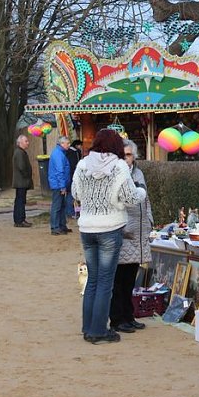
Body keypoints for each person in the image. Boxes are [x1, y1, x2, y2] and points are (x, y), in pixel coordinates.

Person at [73, 129, 145, 344]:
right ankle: (98, 331)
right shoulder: (119, 167)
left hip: (87, 228)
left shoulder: (82, 164)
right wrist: (141, 190)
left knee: (93, 281)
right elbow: (131, 198)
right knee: (105, 282)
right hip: (110, 228)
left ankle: (88, 327)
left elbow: (76, 194)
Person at [109, 139, 153, 334]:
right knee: (119, 281)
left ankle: (129, 315)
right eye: (123, 155)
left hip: (139, 233)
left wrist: (150, 220)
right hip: (124, 232)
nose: (126, 158)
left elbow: (146, 199)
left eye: (128, 154)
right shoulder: (116, 174)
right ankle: (117, 319)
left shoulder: (138, 172)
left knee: (130, 281)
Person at [48, 136, 72, 235]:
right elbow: (59, 171)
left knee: (62, 206)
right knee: (57, 206)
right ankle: (55, 227)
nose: (69, 145)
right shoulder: (58, 154)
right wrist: (62, 186)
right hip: (58, 185)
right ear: (62, 143)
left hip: (59, 184)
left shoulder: (59, 153)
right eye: (68, 143)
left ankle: (62, 226)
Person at [12, 135, 34, 228]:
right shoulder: (19, 153)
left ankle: (19, 219)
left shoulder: (21, 152)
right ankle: (20, 220)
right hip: (21, 181)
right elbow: (22, 167)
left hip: (21, 181)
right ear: (20, 143)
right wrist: (27, 175)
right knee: (20, 201)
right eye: (26, 141)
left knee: (20, 200)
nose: (27, 143)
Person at [63, 139, 83, 217]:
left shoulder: (76, 152)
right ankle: (70, 212)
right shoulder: (70, 153)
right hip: (71, 177)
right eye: (80, 145)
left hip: (74, 176)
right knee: (70, 195)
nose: (81, 147)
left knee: (74, 195)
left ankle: (76, 211)